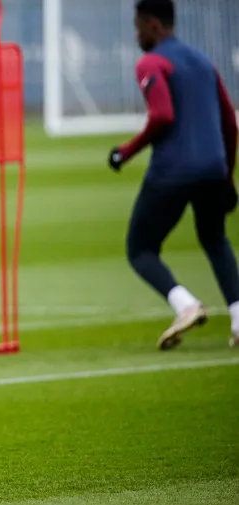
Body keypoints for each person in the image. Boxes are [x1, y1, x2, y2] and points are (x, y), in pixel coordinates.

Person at [108, 0, 239, 351]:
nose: (136, 35)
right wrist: (227, 176)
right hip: (213, 168)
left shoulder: (152, 62)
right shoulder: (203, 62)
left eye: (138, 27)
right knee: (214, 239)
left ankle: (185, 305)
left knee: (140, 248)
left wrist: (126, 151)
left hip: (173, 172)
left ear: (152, 24)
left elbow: (163, 114)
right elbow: (229, 121)